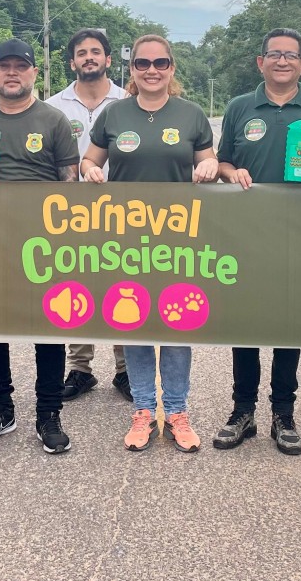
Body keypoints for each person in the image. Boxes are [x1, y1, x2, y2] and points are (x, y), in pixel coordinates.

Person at [81, 34, 218, 452]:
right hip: (127, 239)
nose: (152, 70)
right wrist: (89, 169)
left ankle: (176, 411)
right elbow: (90, 159)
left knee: (178, 323)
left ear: (172, 68)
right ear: (133, 70)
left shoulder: (192, 115)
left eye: (160, 63)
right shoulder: (114, 114)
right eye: (143, 64)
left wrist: (210, 163)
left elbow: (206, 160)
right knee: (136, 320)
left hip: (179, 237)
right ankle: (143, 410)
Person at [213, 28, 301, 456]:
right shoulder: (239, 107)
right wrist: (230, 173)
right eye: (274, 54)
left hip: (300, 231)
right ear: (261, 62)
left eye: (291, 55)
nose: (282, 61)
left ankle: (283, 413)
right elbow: (222, 161)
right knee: (245, 323)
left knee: (289, 322)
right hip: (247, 232)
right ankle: (242, 411)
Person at [0, 39, 80, 454]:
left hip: (43, 243)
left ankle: (49, 412)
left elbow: (69, 184)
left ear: (33, 74)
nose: (12, 73)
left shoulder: (54, 120)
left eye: (19, 67)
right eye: (4, 66)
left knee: (48, 327)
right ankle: (0, 407)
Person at [46, 28, 129, 402]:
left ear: (108, 60)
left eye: (96, 52)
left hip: (126, 212)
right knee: (74, 287)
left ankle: (126, 369)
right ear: (72, 62)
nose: (89, 57)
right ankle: (80, 368)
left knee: (124, 287)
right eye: (82, 53)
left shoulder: (129, 101)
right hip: (71, 212)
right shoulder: (53, 106)